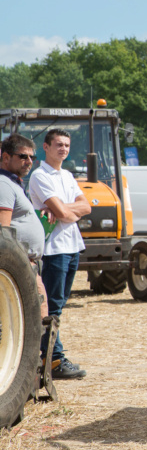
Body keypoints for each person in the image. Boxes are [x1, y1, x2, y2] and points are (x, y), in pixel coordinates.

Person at [28, 129, 91, 379]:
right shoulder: (39, 176)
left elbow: (85, 207)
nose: (63, 149)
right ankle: (53, 360)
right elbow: (65, 214)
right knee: (52, 306)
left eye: (66, 145)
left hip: (72, 245)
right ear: (46, 146)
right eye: (58, 144)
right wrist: (68, 211)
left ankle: (51, 356)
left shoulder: (67, 175)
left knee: (60, 304)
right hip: (54, 249)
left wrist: (67, 209)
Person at [0, 134, 48, 321]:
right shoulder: (4, 184)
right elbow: (3, 232)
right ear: (6, 157)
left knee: (38, 320)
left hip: (25, 265)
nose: (29, 162)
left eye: (32, 157)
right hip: (19, 267)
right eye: (23, 156)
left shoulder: (13, 183)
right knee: (34, 323)